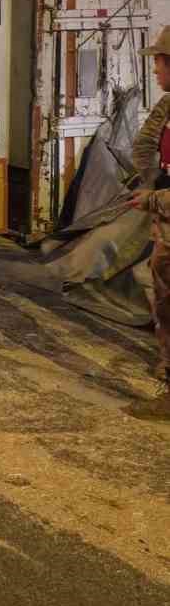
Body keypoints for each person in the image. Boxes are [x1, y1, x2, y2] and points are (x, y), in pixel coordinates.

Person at [127, 26, 170, 419]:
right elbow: (143, 144)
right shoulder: (168, 106)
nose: (154, 69)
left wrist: (154, 198)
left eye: (159, 61)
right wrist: (150, 179)